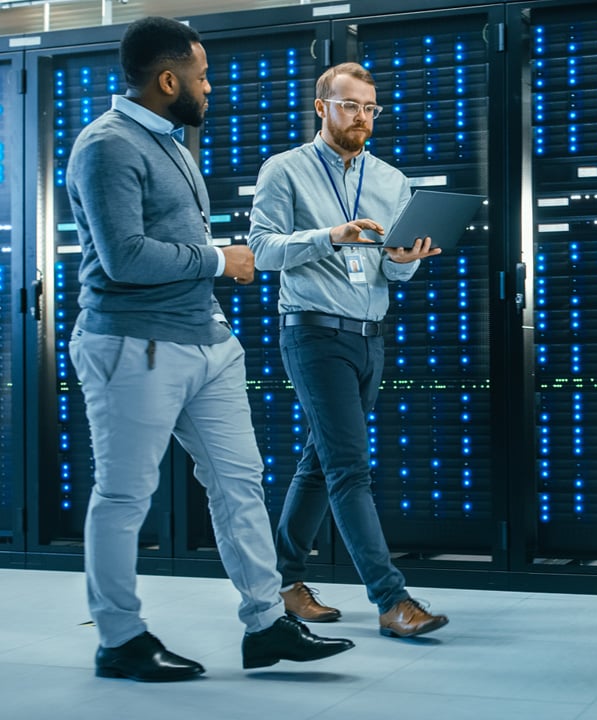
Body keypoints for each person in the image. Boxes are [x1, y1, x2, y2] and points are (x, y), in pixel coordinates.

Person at [66, 16, 354, 682]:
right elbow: (125, 258)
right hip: (133, 345)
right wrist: (220, 261)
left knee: (240, 484)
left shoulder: (171, 142)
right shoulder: (106, 146)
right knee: (123, 496)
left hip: (205, 342)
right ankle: (119, 639)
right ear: (168, 80)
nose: (210, 86)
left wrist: (217, 301)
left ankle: (265, 625)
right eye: (200, 75)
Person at [249, 62, 449, 638]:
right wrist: (328, 236)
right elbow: (262, 250)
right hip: (312, 332)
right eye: (349, 106)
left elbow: (389, 266)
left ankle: (282, 581)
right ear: (321, 107)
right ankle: (391, 601)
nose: (361, 117)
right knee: (349, 468)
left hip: (371, 337)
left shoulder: (390, 180)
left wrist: (403, 262)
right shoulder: (283, 170)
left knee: (322, 459)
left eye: (369, 108)